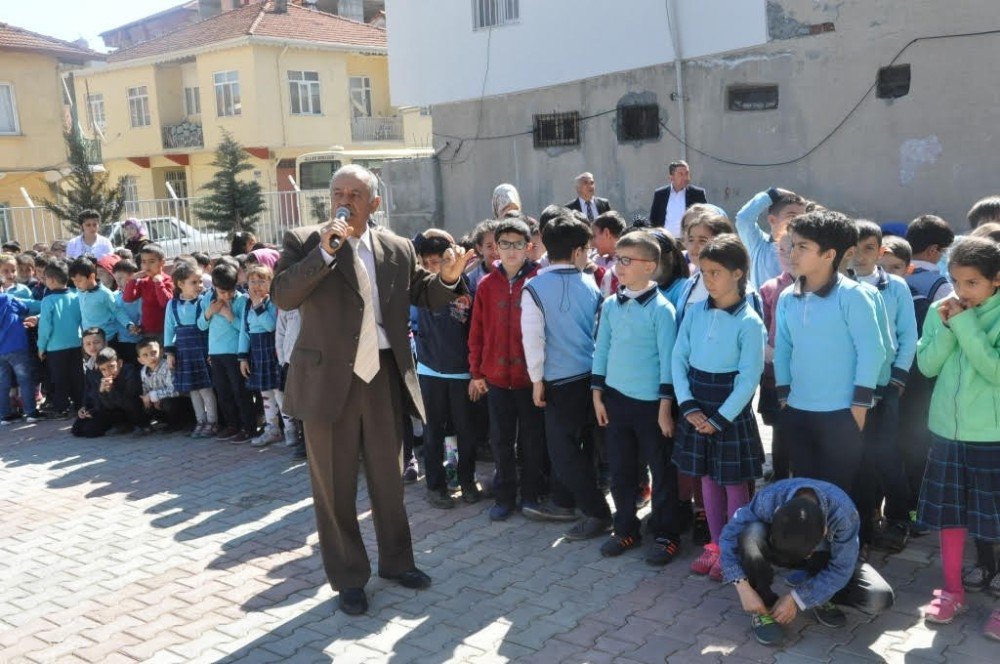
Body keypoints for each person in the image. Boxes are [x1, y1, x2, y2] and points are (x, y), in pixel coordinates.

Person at [271, 164, 472, 616]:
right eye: (337, 192)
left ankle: (397, 563)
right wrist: (323, 254)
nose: (344, 200)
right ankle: (349, 578)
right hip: (327, 382)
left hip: (382, 375)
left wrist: (448, 278)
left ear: (374, 203)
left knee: (390, 478)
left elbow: (426, 295)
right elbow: (283, 295)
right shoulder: (303, 239)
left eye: (355, 194)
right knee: (334, 486)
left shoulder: (397, 247)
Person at [915, 237, 1000, 638]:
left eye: (972, 284)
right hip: (947, 433)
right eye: (955, 281)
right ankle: (951, 590)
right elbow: (927, 365)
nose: (960, 292)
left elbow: (995, 371)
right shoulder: (941, 310)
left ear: (996, 281)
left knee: (995, 521)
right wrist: (948, 326)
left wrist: (964, 323)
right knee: (951, 515)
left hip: (992, 437)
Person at [673, 234, 766, 580]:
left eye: (715, 272)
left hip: (729, 413)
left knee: (734, 483)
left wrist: (720, 417)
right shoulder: (695, 313)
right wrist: (687, 404)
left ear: (738, 273)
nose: (706, 279)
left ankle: (734, 548)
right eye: (703, 271)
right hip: (697, 407)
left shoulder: (749, 322)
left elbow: (748, 378)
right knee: (708, 478)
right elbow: (678, 357)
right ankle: (714, 543)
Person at [774, 211, 886, 493]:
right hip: (798, 410)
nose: (792, 253)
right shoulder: (788, 296)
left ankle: (848, 537)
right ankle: (813, 539)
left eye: (803, 247)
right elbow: (783, 349)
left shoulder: (853, 296)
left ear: (829, 255)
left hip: (841, 413)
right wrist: (785, 395)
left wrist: (859, 406)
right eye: (792, 244)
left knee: (839, 490)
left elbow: (872, 352)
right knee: (805, 489)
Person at [591, 231, 682, 564]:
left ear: (651, 267)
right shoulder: (612, 304)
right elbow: (601, 350)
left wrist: (664, 408)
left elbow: (669, 361)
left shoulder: (662, 311)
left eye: (627, 261)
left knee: (661, 471)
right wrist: (598, 395)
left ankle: (665, 534)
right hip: (616, 402)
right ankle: (625, 528)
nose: (619, 266)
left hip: (651, 408)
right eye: (617, 259)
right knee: (621, 470)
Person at [522, 212, 612, 540]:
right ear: (576, 251)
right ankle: (584, 504)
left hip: (558, 382)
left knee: (563, 451)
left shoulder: (534, 287)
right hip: (590, 379)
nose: (588, 255)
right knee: (584, 448)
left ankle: (597, 512)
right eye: (586, 249)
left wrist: (536, 381)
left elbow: (533, 340)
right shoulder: (589, 282)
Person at [720, 478, 894, 646]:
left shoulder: (844, 514)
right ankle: (762, 606)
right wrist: (742, 586)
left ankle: (817, 590)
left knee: (879, 598)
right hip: (778, 551)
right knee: (751, 534)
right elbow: (728, 536)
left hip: (824, 556)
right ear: (777, 511)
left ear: (824, 530)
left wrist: (798, 598)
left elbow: (842, 568)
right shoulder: (769, 498)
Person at [468, 217, 555, 521]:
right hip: (496, 378)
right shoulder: (486, 285)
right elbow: (476, 331)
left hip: (529, 379)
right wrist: (477, 372)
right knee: (501, 440)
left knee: (532, 440)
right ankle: (505, 495)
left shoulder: (540, 280)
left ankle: (530, 494)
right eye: (504, 244)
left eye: (518, 244)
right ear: (496, 249)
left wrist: (542, 375)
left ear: (529, 247)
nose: (510, 250)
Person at [848, 221, 918, 552]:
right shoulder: (839, 286)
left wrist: (898, 377)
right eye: (855, 248)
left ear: (881, 251)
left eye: (868, 248)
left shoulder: (895, 287)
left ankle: (899, 517)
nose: (861, 256)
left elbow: (907, 337)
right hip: (848, 386)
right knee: (856, 455)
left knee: (885, 453)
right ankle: (863, 521)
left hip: (885, 385)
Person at [410, 232, 481, 508]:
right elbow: (411, 251)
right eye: (427, 262)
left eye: (439, 261)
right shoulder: (421, 288)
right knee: (432, 432)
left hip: (461, 372)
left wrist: (476, 372)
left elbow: (474, 331)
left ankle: (466, 481)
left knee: (466, 431)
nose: (433, 267)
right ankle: (436, 486)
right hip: (429, 370)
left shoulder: (465, 289)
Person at [199, 262, 255, 443]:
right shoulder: (208, 299)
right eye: (223, 292)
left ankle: (249, 428)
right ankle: (233, 425)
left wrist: (230, 316)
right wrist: (210, 312)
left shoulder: (242, 300)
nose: (227, 296)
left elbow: (245, 329)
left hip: (236, 354)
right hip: (215, 354)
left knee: (240, 392)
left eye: (230, 291)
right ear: (214, 287)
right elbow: (201, 325)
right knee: (223, 392)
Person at [164, 261, 218, 438]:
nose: (199, 286)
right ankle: (200, 421)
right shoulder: (172, 305)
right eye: (194, 282)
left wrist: (211, 350)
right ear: (180, 284)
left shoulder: (204, 302)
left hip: (201, 349)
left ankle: (212, 422)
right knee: (193, 389)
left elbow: (209, 327)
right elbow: (169, 329)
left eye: (200, 281)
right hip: (184, 351)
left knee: (205, 388)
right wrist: (170, 352)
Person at [758, 234, 795, 482]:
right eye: (780, 250)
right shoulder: (771, 288)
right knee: (780, 428)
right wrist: (768, 353)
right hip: (774, 374)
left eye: (792, 249)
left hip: (806, 374)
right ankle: (781, 473)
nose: (786, 255)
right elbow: (763, 326)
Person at [238, 264, 284, 447]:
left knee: (279, 393)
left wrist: (258, 306)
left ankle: (290, 430)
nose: (256, 285)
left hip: (271, 351)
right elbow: (244, 331)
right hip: (256, 353)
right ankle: (272, 429)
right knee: (265, 394)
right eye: (252, 281)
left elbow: (270, 326)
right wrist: (242, 357)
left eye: (261, 281)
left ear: (271, 283)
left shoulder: (273, 302)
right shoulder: (247, 304)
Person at [734, 188, 807, 290]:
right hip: (764, 305)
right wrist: (772, 193)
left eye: (802, 217)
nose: (798, 221)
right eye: (792, 216)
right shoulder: (759, 245)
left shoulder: (806, 247)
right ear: (772, 220)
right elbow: (744, 219)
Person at [36, 260, 83, 418]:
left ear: (52, 280)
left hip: (55, 348)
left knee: (59, 379)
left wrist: (41, 346)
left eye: (45, 278)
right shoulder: (76, 296)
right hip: (76, 343)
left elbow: (45, 327)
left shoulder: (48, 301)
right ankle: (80, 404)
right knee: (77, 376)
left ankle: (61, 407)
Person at [72, 347, 149, 437]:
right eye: (103, 369)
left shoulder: (130, 373)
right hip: (117, 411)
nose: (108, 372)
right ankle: (122, 426)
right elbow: (108, 406)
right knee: (77, 429)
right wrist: (102, 393)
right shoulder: (102, 377)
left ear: (120, 363)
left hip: (137, 409)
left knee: (91, 430)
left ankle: (142, 426)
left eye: (111, 366)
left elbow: (129, 402)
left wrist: (111, 390)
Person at [68, 257, 138, 348]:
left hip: (107, 339)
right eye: (74, 281)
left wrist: (128, 324)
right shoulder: (79, 291)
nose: (76, 284)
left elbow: (117, 311)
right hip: (89, 339)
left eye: (79, 281)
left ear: (92, 277)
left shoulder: (104, 293)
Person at [0, 288, 42, 424]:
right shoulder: (10, 299)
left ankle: (4, 415)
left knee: (2, 384)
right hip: (17, 347)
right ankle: (31, 413)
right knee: (25, 381)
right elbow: (26, 309)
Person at [123, 244, 174, 341]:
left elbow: (166, 304)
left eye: (152, 262)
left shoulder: (167, 280)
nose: (147, 266)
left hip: (165, 331)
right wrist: (133, 279)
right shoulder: (144, 281)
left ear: (162, 262)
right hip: (147, 331)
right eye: (143, 262)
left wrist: (159, 283)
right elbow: (128, 298)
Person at [274, 303, 305, 456]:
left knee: (310, 405)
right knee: (297, 405)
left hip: (310, 363)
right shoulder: (286, 304)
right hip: (289, 362)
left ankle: (310, 441)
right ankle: (303, 440)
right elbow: (280, 333)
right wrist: (282, 360)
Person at [649, 160, 708, 238]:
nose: (685, 177)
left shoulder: (697, 194)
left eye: (687, 173)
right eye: (681, 174)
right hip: (666, 242)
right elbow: (653, 219)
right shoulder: (660, 194)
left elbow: (705, 218)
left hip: (688, 242)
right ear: (671, 177)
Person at [137, 337, 186, 431]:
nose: (151, 357)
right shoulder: (143, 371)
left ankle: (177, 424)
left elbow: (175, 390)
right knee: (142, 404)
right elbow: (146, 389)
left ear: (162, 352)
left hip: (178, 400)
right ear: (140, 360)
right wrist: (147, 399)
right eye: (145, 355)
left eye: (154, 353)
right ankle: (156, 422)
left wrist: (154, 396)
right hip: (158, 401)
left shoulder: (167, 366)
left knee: (169, 404)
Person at [905, 215, 955, 303]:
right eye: (944, 251)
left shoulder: (890, 274)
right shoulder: (941, 286)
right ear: (933, 250)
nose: (944, 255)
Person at [70, 328, 109, 437]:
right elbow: (88, 390)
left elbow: (109, 395)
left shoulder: (109, 364)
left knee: (90, 431)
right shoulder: (90, 365)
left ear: (105, 343)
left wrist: (95, 410)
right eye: (88, 344)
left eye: (96, 342)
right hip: (95, 407)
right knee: (76, 430)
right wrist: (84, 407)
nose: (92, 347)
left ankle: (118, 425)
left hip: (108, 407)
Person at [112, 260, 143, 366]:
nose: (118, 282)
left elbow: (143, 313)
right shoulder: (114, 295)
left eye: (121, 278)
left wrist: (139, 326)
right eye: (116, 279)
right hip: (121, 341)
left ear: (134, 276)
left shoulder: (141, 295)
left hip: (140, 341)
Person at [591, 211, 627, 297]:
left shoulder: (627, 263)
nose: (591, 244)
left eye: (594, 236)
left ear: (607, 233)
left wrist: (598, 272)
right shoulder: (595, 259)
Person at [466, 219, 500, 286]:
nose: (496, 251)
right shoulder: (472, 279)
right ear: (479, 249)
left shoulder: (516, 273)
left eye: (500, 245)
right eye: (489, 246)